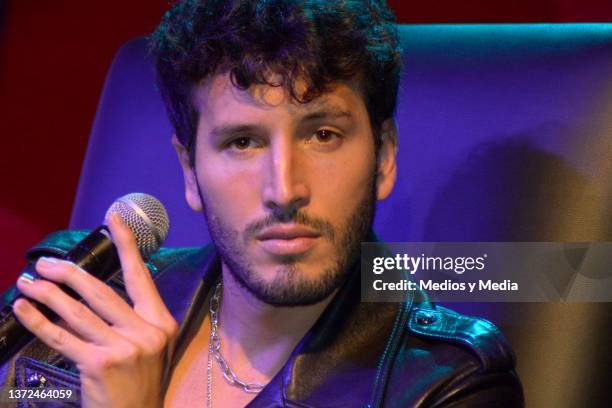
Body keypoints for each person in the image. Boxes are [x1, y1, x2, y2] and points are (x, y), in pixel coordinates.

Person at [1, 0, 523, 406]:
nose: (284, 190)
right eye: (243, 142)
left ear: (383, 156)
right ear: (190, 171)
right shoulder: (72, 300)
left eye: (322, 134)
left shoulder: (449, 387)